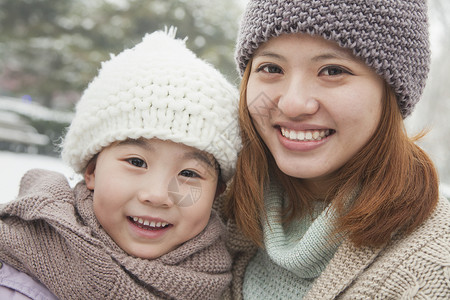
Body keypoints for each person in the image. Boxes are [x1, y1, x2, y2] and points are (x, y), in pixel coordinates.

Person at [221, 0, 450, 299]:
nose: (292, 103)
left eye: (332, 70)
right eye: (272, 68)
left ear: (391, 91)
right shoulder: (205, 212)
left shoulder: (433, 272)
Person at [0, 28, 241, 299]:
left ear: (217, 192)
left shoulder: (229, 284)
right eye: (136, 162)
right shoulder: (18, 269)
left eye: (188, 173)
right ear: (91, 170)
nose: (157, 195)